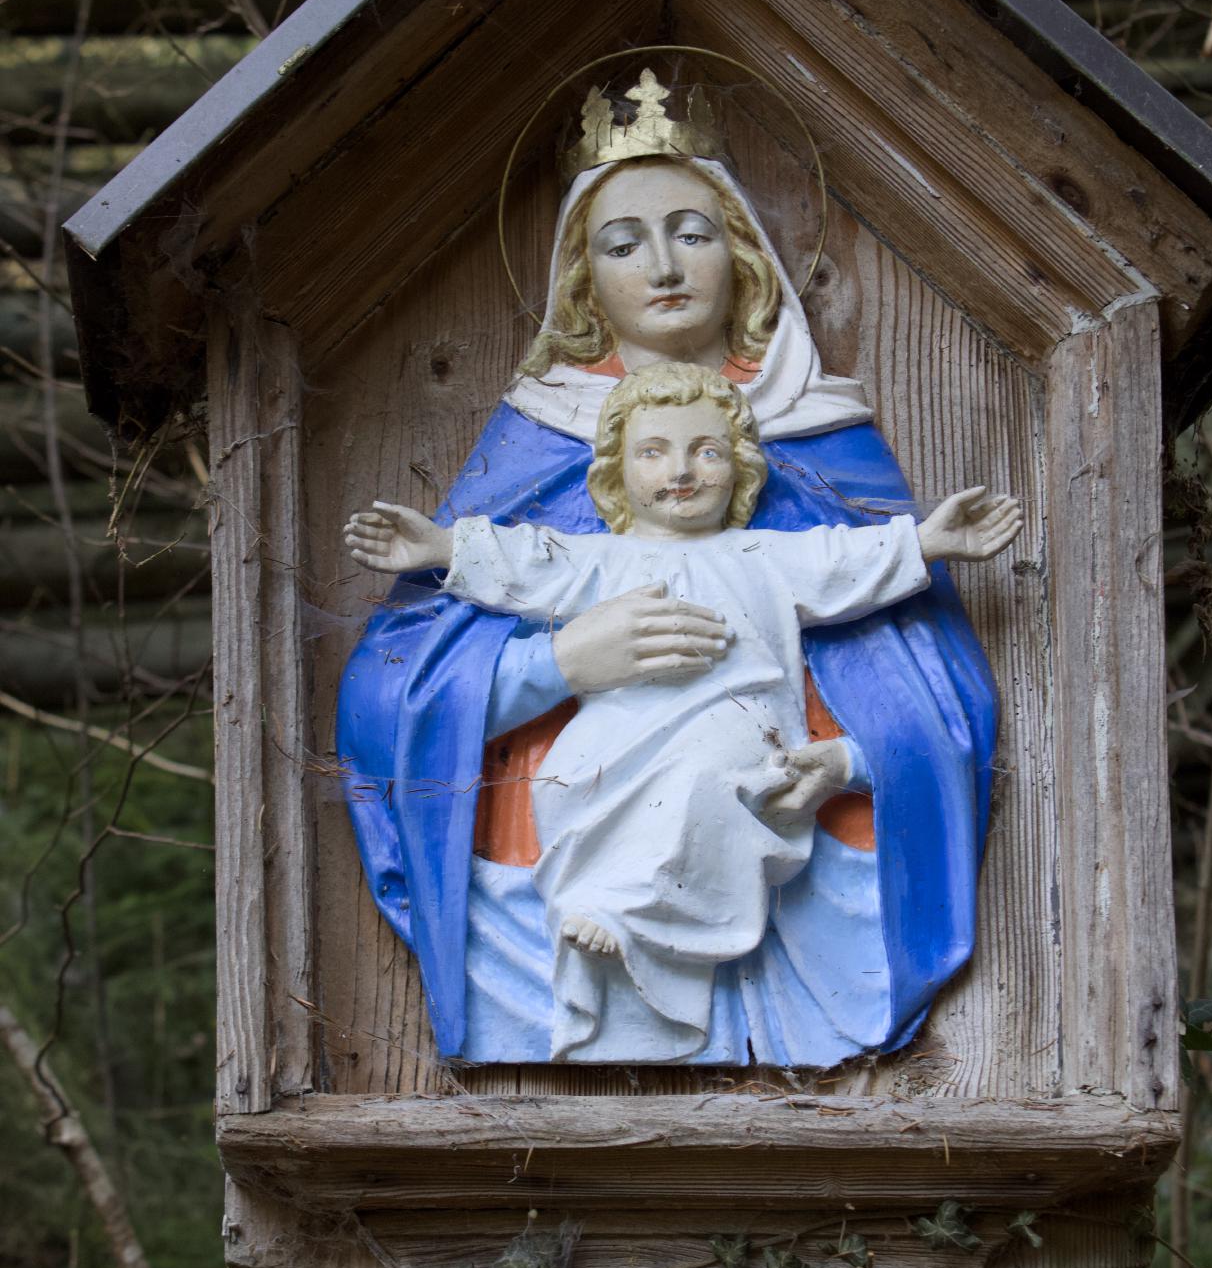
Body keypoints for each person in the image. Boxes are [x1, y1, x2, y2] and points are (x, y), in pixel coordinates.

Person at [336, 68, 1004, 1067]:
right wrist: (561, 664)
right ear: (580, 278)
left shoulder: (823, 442)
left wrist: (848, 765)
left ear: (741, 253)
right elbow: (387, 698)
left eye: (691, 230)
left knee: (710, 778)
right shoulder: (539, 446)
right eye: (622, 241)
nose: (662, 264)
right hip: (543, 897)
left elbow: (932, 686)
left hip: (808, 885)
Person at [344, 362, 1022, 1061]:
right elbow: (526, 560)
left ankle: (633, 917)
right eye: (654, 451)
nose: (682, 469)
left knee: (706, 784)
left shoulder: (763, 555)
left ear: (739, 467)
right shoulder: (600, 561)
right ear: (616, 468)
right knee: (579, 770)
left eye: (706, 450)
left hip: (736, 736)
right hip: (623, 728)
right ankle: (603, 904)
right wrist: (438, 547)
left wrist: (928, 541)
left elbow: (844, 559)